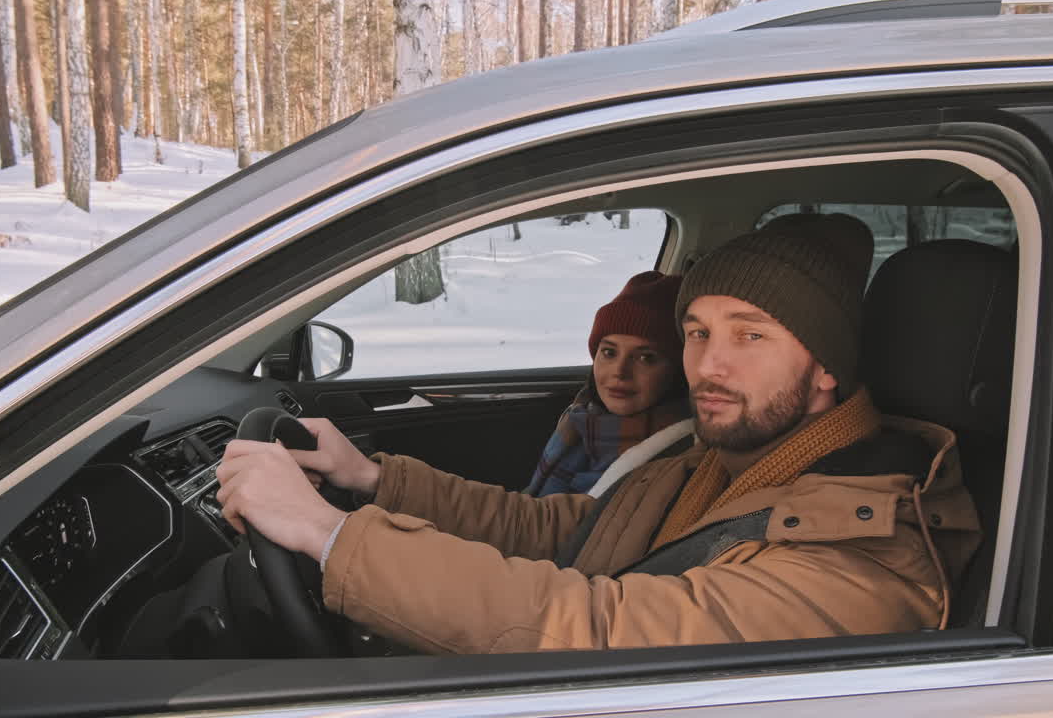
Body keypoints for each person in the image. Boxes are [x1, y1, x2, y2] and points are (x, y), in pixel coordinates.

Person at [216, 214, 981, 653]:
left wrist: (329, 537)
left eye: (751, 337)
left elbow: (597, 630)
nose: (707, 366)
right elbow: (568, 533)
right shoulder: (731, 458)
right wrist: (375, 481)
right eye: (697, 331)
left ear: (826, 368)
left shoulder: (865, 558)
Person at [525, 271, 692, 498]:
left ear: (678, 370)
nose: (619, 372)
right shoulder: (581, 418)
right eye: (609, 352)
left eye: (646, 358)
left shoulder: (676, 455)